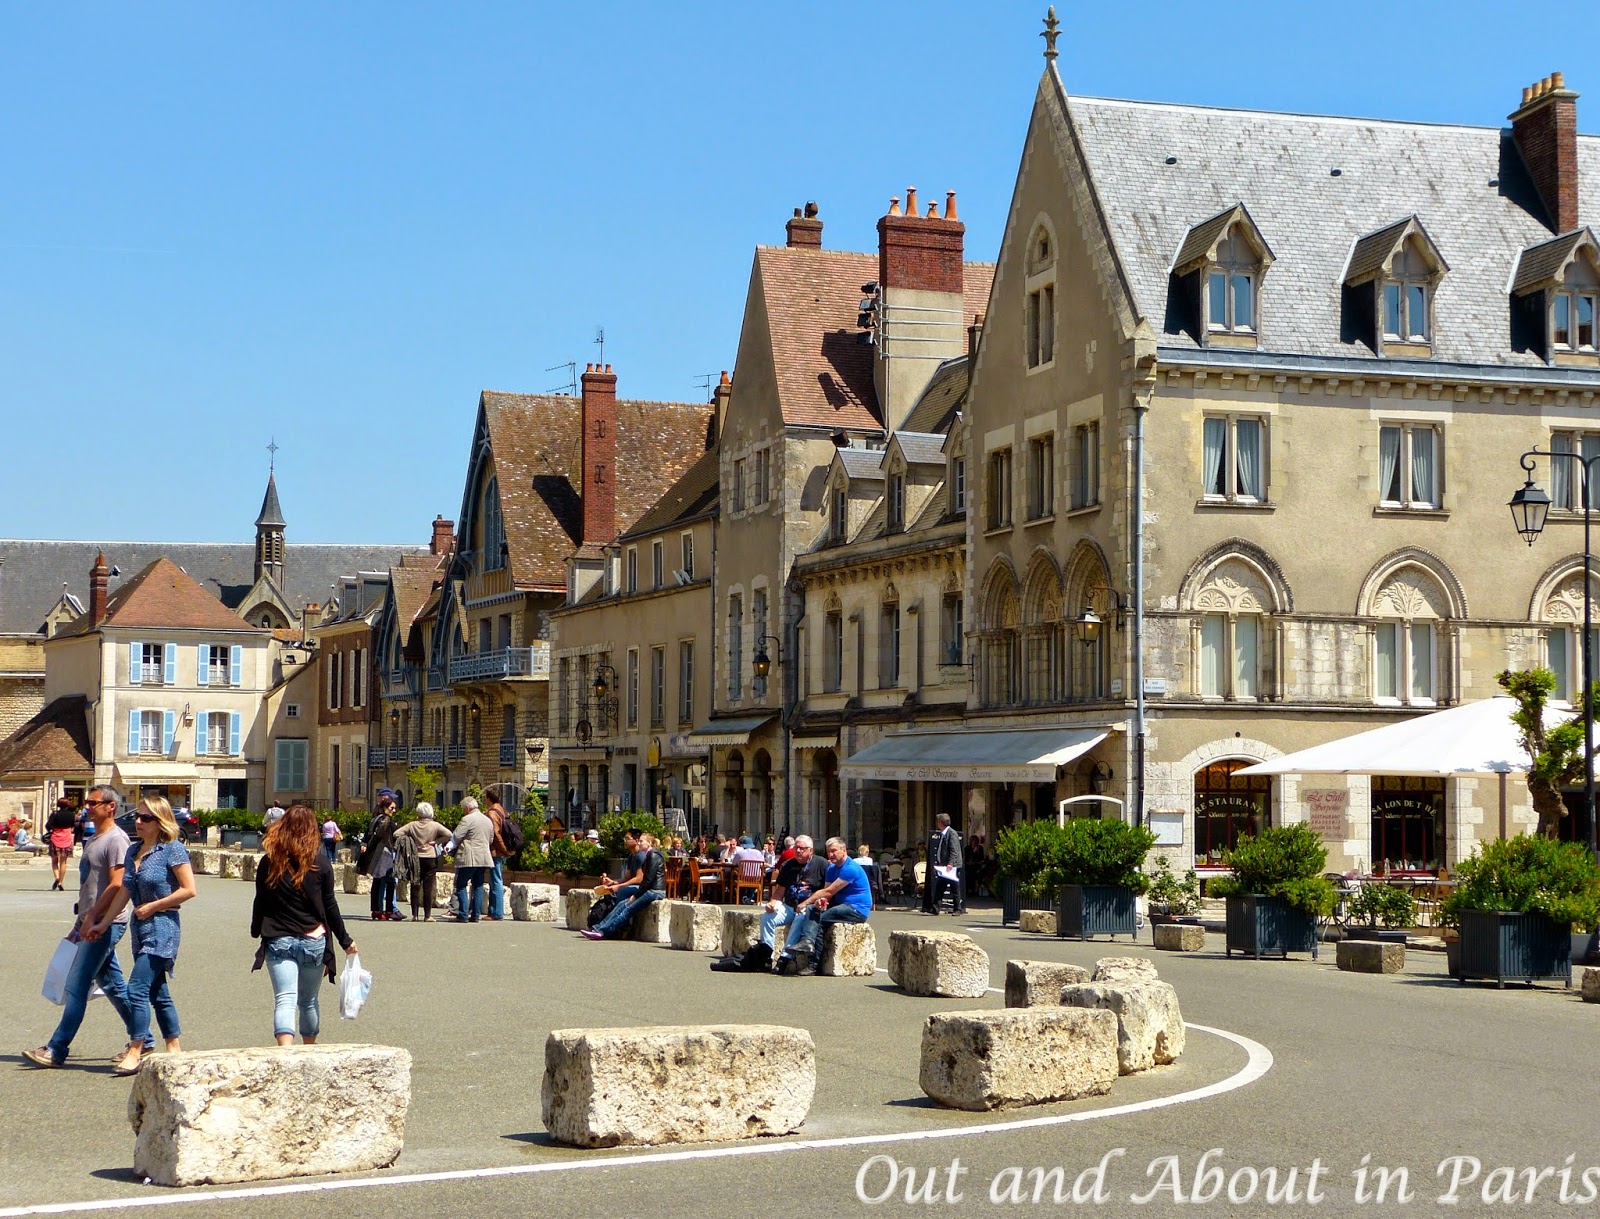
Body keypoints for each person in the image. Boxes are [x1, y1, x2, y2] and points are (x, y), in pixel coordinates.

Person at [22, 786, 142, 1068]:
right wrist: (79, 921)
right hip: (90, 921)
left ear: (110, 806)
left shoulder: (117, 840)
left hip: (106, 922)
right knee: (112, 984)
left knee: (77, 986)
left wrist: (93, 919)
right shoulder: (93, 838)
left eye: (93, 802)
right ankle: (144, 1038)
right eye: (87, 802)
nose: (86, 807)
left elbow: (117, 883)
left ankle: (57, 1048)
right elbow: (90, 886)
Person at [83, 796, 195, 1075]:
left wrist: (155, 905)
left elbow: (189, 889)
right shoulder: (133, 852)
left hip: (163, 927)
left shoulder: (173, 850)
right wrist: (103, 922)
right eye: (137, 816)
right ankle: (174, 1047)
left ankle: (136, 1049)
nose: (138, 821)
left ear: (161, 822)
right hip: (140, 928)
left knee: (137, 988)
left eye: (146, 818)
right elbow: (124, 892)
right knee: (158, 991)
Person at [250, 804, 358, 1045]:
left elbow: (261, 900)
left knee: (285, 998)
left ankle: (286, 1052)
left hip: (278, 938)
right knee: (308, 1000)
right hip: (314, 938)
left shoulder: (269, 862)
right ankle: (309, 1049)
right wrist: (345, 940)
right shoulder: (320, 863)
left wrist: (256, 929)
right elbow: (330, 906)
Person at [776, 837, 874, 976]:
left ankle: (813, 961)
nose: (831, 854)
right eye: (829, 852)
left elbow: (829, 891)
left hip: (856, 909)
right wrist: (819, 902)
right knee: (813, 910)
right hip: (840, 904)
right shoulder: (832, 868)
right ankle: (808, 943)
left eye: (834, 851)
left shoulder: (850, 868)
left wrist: (806, 902)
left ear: (844, 850)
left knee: (819, 918)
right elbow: (826, 895)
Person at [757, 834, 827, 968]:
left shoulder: (821, 864)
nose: (798, 851)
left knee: (800, 917)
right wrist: (772, 902)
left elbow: (826, 890)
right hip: (789, 906)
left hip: (807, 907)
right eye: (796, 848)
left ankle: (785, 957)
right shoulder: (788, 864)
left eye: (802, 848)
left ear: (810, 850)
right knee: (767, 917)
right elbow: (779, 891)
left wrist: (813, 903)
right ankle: (766, 956)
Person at [581, 831, 666, 940]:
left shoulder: (652, 855)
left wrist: (635, 895)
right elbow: (631, 878)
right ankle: (598, 928)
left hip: (655, 891)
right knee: (622, 904)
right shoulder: (645, 855)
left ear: (649, 843)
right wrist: (614, 882)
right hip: (649, 890)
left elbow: (647, 880)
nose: (639, 843)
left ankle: (606, 932)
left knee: (628, 908)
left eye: (641, 841)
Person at [395, 801, 452, 920]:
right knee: (428, 887)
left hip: (416, 857)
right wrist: (436, 842)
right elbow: (449, 834)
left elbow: (397, 833)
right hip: (430, 857)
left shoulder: (413, 825)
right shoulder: (435, 825)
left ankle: (415, 915)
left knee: (415, 885)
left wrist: (410, 841)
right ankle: (427, 915)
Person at [357, 790, 403, 921]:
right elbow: (383, 836)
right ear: (384, 808)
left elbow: (367, 835)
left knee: (378, 881)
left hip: (378, 853)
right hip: (385, 853)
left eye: (394, 808)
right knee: (387, 881)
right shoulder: (386, 820)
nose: (394, 810)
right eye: (391, 808)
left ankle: (377, 909)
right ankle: (386, 910)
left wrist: (365, 846)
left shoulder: (375, 818)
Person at [450, 797, 494, 923]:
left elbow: (457, 836)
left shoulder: (467, 819)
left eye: (464, 809)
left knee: (461, 884)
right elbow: (490, 840)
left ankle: (463, 914)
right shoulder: (487, 820)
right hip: (484, 857)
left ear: (467, 808)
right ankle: (476, 915)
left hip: (469, 857)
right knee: (478, 885)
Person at [929, 812, 966, 915]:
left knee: (955, 887)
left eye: (938, 821)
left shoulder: (952, 833)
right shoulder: (944, 833)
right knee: (940, 887)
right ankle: (935, 908)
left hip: (952, 866)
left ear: (941, 822)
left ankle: (958, 909)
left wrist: (950, 863)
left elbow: (954, 850)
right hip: (945, 866)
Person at [484, 785, 512, 921]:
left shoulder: (492, 813)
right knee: (496, 879)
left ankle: (496, 912)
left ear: (489, 798)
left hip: (496, 852)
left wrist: (504, 849)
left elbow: (495, 833)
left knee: (495, 880)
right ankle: (494, 911)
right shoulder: (503, 810)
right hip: (501, 851)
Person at [46, 798, 77, 891]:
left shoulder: (55, 814)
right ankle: (60, 882)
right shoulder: (72, 815)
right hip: (66, 838)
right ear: (67, 805)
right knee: (63, 862)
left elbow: (48, 826)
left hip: (55, 837)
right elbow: (72, 825)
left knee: (54, 861)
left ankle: (56, 877)